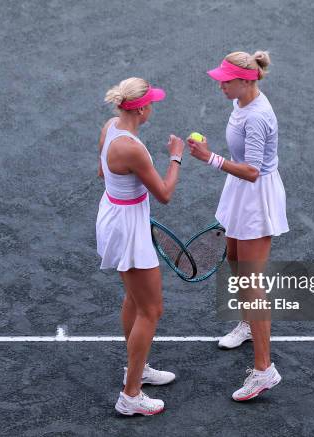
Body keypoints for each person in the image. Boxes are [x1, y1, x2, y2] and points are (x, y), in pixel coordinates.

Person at [187, 51, 289, 401]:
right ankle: (248, 324)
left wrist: (209, 158)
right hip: (240, 192)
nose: (220, 85)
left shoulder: (257, 117)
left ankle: (264, 370)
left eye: (225, 80)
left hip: (256, 197)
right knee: (233, 260)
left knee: (251, 282)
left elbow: (253, 171)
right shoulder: (241, 102)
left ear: (246, 81)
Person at [96, 77, 185, 415]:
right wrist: (175, 158)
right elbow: (164, 194)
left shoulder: (110, 128)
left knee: (134, 299)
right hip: (127, 226)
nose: (154, 107)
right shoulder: (132, 147)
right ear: (143, 109)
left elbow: (104, 175)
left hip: (115, 214)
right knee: (152, 309)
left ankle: (138, 368)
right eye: (153, 103)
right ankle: (130, 395)